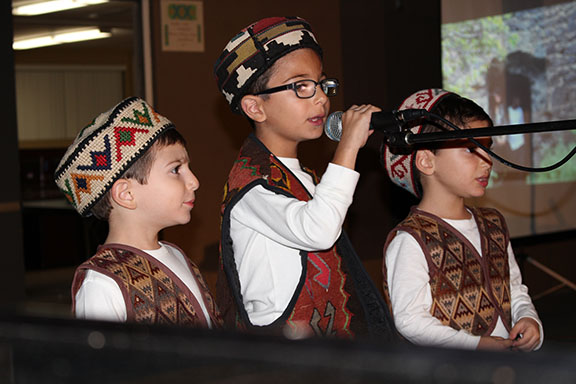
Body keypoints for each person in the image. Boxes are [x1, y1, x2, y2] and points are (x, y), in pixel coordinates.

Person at [213, 16, 396, 339]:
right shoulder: (252, 187)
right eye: (301, 86)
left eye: (321, 83)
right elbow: (318, 230)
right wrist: (349, 145)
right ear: (255, 108)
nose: (322, 98)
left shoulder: (304, 179)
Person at [381, 88, 543, 351]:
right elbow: (410, 320)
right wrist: (475, 346)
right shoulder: (411, 239)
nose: (487, 161)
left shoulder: (493, 223)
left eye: (488, 148)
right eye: (470, 149)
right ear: (426, 161)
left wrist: (528, 317)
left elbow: (513, 288)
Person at [54, 97, 222, 328]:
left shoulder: (178, 256)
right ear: (126, 194)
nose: (194, 181)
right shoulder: (103, 284)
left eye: (188, 168)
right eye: (176, 169)